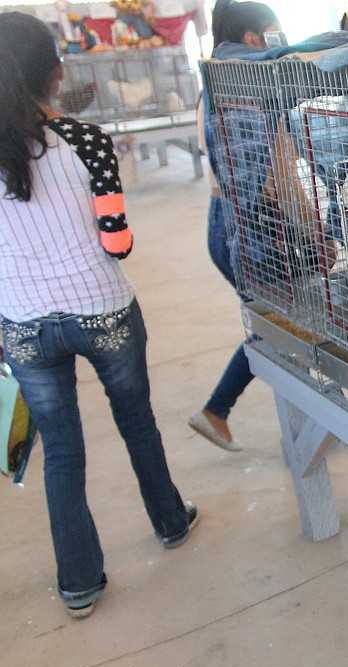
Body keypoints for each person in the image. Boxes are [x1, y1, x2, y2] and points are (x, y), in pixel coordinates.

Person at [0, 12, 196, 619]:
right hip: (102, 308)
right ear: (57, 74)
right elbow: (117, 243)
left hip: (23, 323)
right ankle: (169, 522)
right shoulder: (86, 140)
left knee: (60, 450)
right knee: (137, 422)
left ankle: (79, 582)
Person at [187, 0, 280, 451]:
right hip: (249, 229)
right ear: (251, 39)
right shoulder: (243, 92)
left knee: (280, 321)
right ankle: (216, 408)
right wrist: (313, 230)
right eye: (272, 35)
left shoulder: (212, 84)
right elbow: (268, 180)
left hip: (220, 223)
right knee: (278, 325)